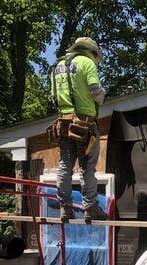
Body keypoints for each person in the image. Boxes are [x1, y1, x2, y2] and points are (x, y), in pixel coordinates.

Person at [50, 37, 108, 222]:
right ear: (91, 52)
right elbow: (95, 91)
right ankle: (90, 206)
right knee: (87, 167)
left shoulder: (56, 66)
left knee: (65, 166)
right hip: (85, 124)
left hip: (64, 123)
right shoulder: (86, 63)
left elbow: (53, 97)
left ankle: (65, 207)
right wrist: (101, 98)